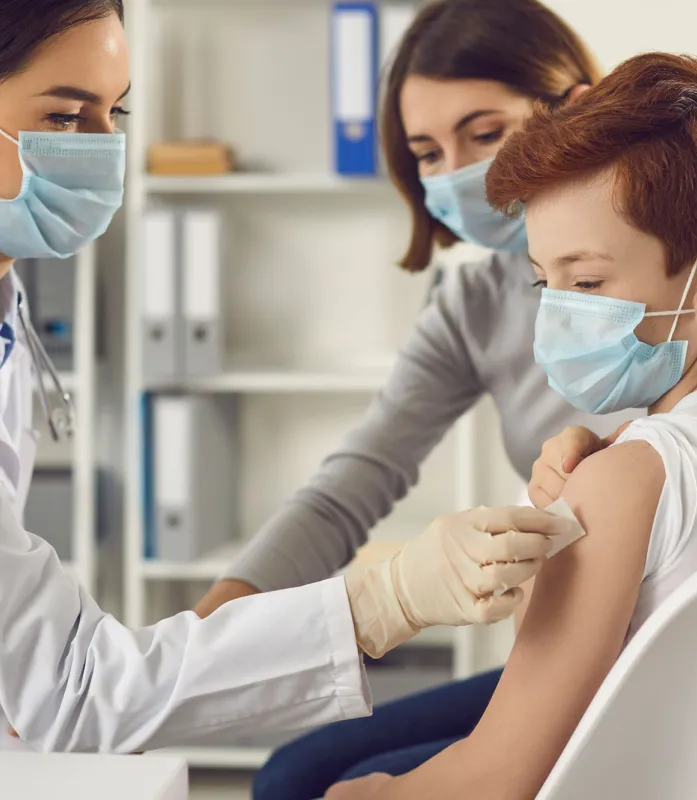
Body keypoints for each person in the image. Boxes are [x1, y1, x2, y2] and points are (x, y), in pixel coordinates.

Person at [248, 1, 697, 796]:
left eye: (587, 283)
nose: (557, 315)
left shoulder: (622, 480)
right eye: (546, 284)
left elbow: (498, 778)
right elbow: (353, 483)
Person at [0, 0, 571, 754]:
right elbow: (348, 488)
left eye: (114, 112)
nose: (109, 150)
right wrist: (369, 602)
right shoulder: (473, 304)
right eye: (68, 117)